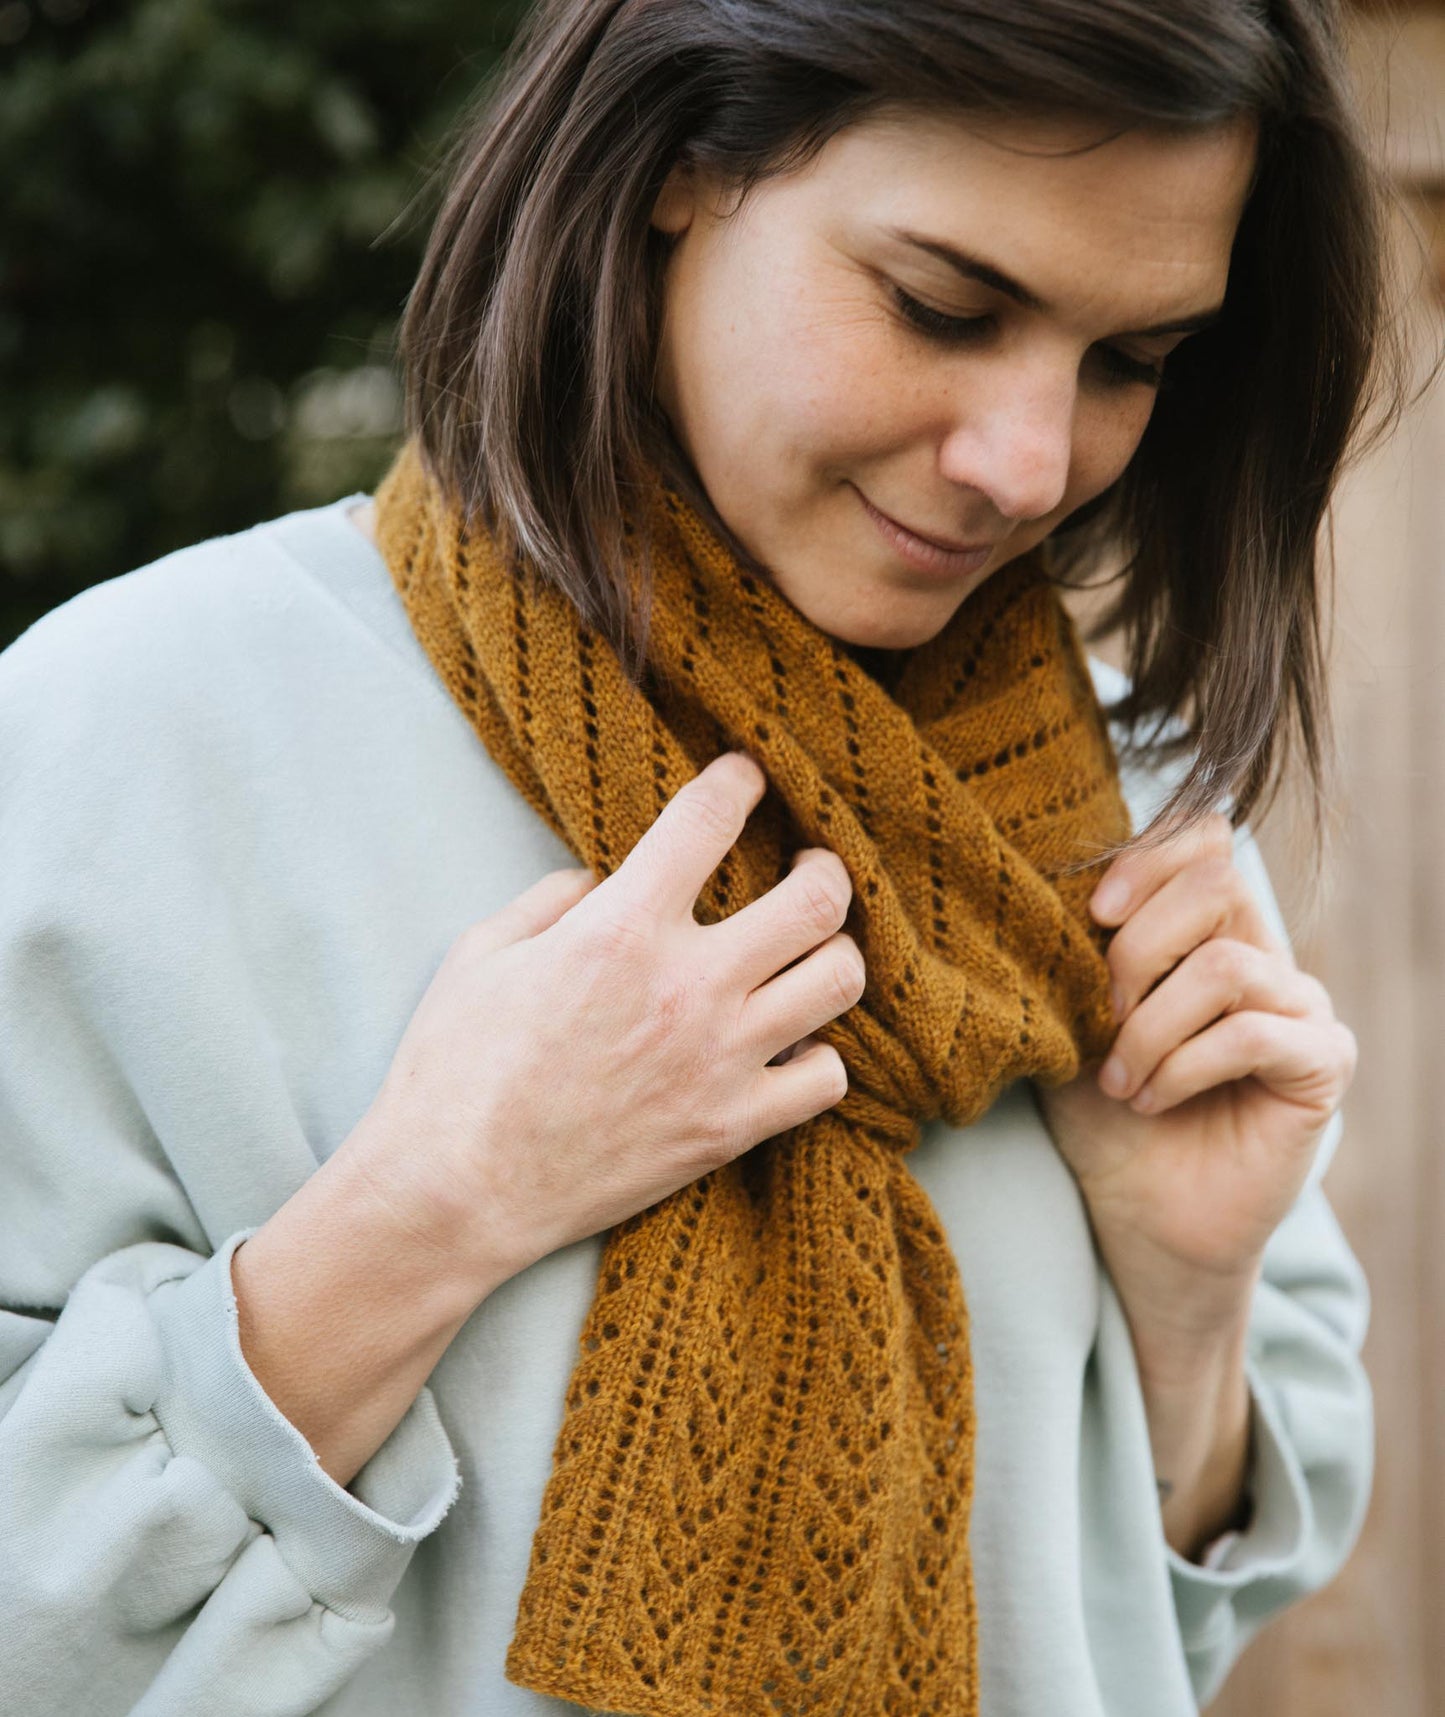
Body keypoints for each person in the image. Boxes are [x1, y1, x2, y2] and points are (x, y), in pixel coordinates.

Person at [0, 1, 1393, 1713]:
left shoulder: (1122, 816)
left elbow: (1140, 1632)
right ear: (676, 159)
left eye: (1132, 362)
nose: (1027, 463)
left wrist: (1188, 1306)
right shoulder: (129, 739)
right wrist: (427, 1210)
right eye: (943, 306)